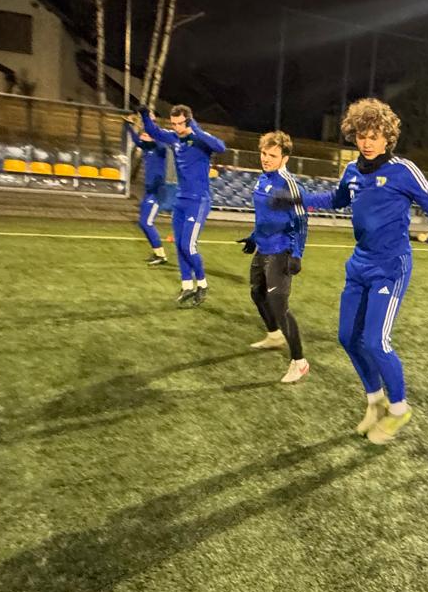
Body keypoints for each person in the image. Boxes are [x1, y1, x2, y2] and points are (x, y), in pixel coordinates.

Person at [276, 97, 428, 444]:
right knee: (347, 337)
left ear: (388, 138)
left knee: (376, 341)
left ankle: (399, 409)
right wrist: (298, 199)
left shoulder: (403, 170)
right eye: (361, 135)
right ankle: (375, 401)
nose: (367, 142)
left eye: (374, 136)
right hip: (359, 264)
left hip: (390, 266)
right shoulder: (352, 171)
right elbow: (337, 200)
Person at [139, 103, 226, 306]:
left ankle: (202, 284)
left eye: (180, 123)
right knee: (179, 245)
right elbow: (154, 131)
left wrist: (195, 128)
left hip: (198, 201)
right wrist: (144, 115)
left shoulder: (200, 138)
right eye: (173, 123)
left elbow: (220, 147)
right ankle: (187, 286)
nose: (176, 127)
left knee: (188, 245)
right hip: (180, 201)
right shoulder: (174, 138)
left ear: (188, 120)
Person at [241, 131, 310, 384]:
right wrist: (253, 237)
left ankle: (299, 362)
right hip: (263, 248)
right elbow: (264, 217)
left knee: (279, 305)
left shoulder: (289, 185)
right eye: (263, 153)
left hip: (281, 250)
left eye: (272, 155)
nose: (266, 159)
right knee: (257, 293)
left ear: (285, 158)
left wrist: (297, 254)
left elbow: (302, 223)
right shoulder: (262, 179)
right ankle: (274, 335)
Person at [125, 115, 172, 267]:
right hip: (149, 192)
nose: (143, 134)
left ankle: (161, 256)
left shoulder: (160, 148)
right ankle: (158, 253)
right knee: (143, 223)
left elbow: (160, 141)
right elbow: (135, 139)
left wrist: (151, 126)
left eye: (146, 133)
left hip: (157, 192)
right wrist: (127, 125)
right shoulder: (147, 148)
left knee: (147, 222)